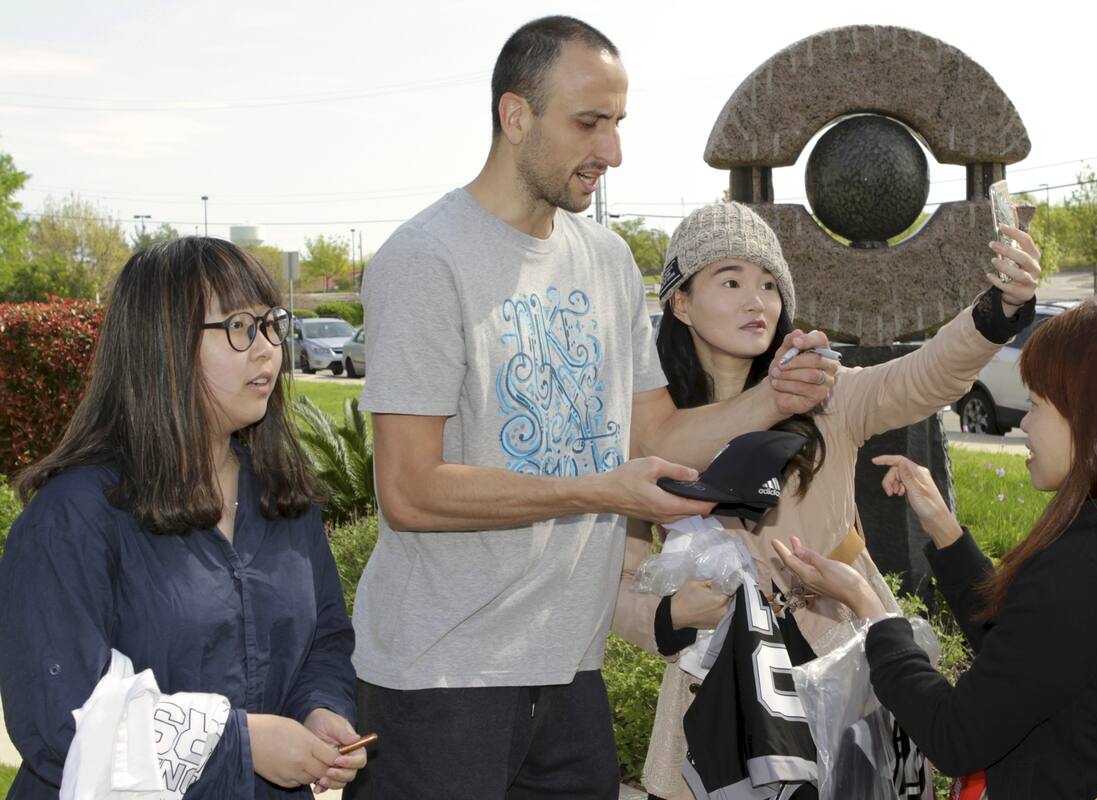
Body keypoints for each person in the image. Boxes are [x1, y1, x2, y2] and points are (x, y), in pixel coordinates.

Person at [347, 16, 840, 800]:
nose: (611, 152)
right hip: (441, 678)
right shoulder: (425, 260)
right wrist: (598, 491)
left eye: (616, 124)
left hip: (571, 674)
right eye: (588, 123)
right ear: (515, 117)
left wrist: (770, 396)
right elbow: (408, 492)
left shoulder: (607, 260)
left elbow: (657, 435)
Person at [610, 201, 1041, 799]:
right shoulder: (651, 432)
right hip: (715, 687)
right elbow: (621, 578)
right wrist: (675, 614)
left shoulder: (824, 394)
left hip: (837, 659)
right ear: (680, 302)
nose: (755, 300)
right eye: (729, 280)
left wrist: (997, 313)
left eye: (768, 284)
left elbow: (925, 374)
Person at [774, 292, 1097, 798]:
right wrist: (946, 533)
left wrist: (872, 614)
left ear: (1096, 418)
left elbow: (957, 735)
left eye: (1038, 404)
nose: (1023, 423)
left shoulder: (1091, 565)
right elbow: (1032, 657)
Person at [0, 238, 365, 799]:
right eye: (240, 326)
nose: (268, 347)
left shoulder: (284, 498)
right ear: (162, 346)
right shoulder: (73, 516)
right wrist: (241, 744)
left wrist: (318, 708)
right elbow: (61, 722)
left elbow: (326, 638)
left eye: (272, 324)